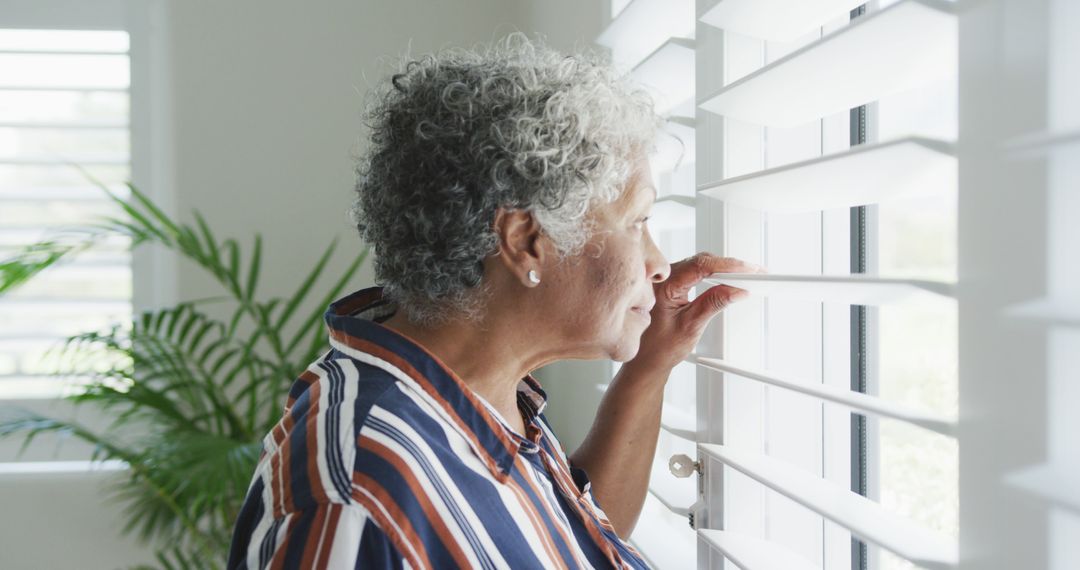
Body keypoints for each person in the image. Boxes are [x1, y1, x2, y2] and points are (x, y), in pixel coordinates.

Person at [227, 34, 752, 569]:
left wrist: (648, 368)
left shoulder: (480, 394)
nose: (659, 262)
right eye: (637, 221)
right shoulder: (357, 503)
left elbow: (566, 548)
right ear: (526, 240)